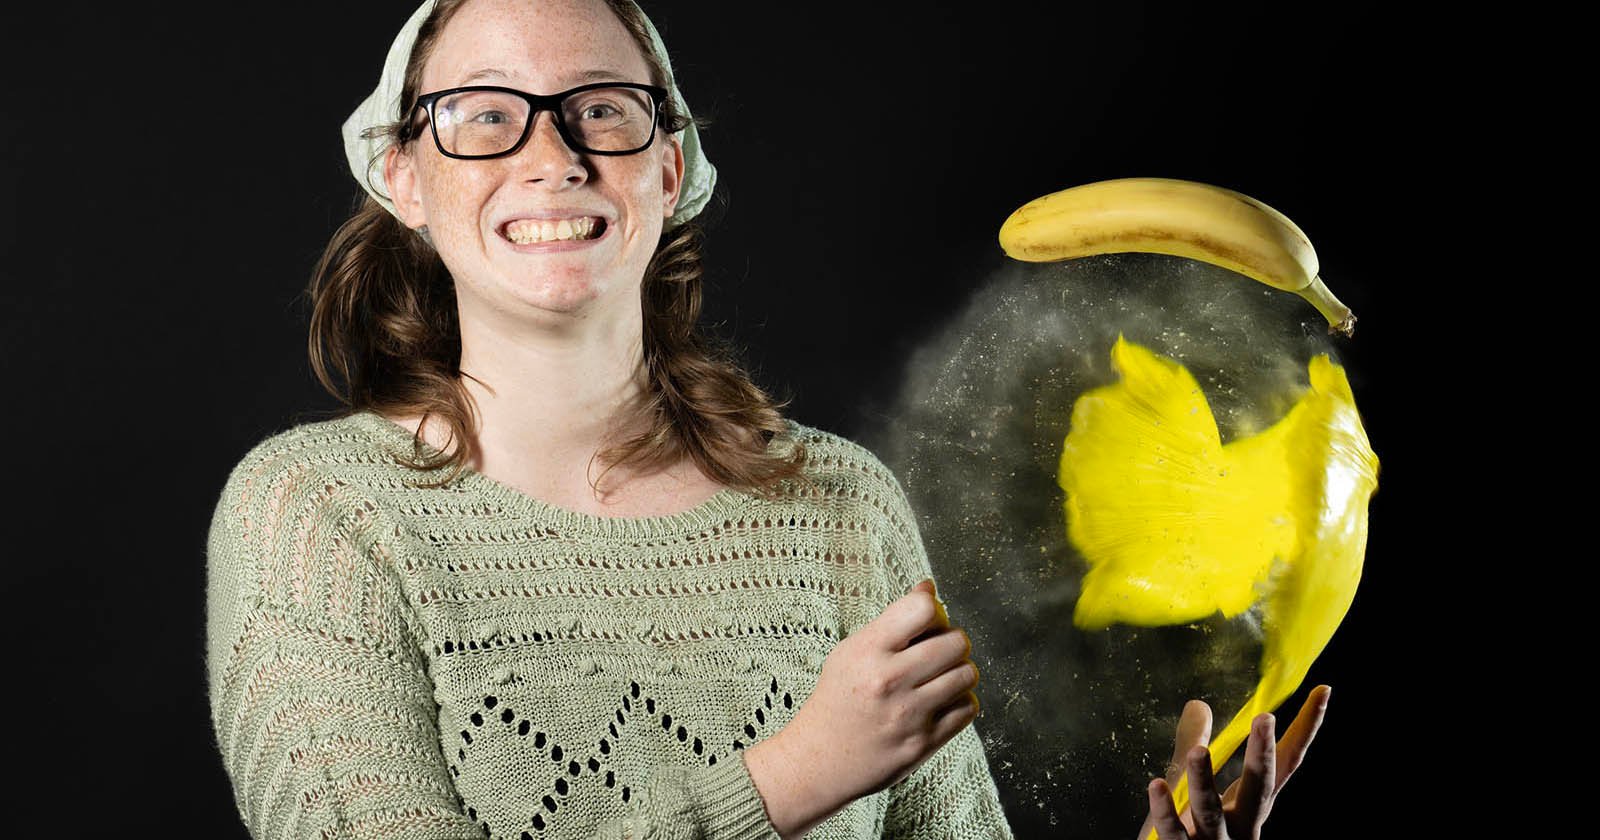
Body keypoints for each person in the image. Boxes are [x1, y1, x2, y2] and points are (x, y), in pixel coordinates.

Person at [203, 1, 1327, 838]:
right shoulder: (317, 516)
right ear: (404, 175)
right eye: (482, 116)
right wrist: (789, 776)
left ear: (668, 164)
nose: (552, 157)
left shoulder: (839, 506)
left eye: (603, 109)